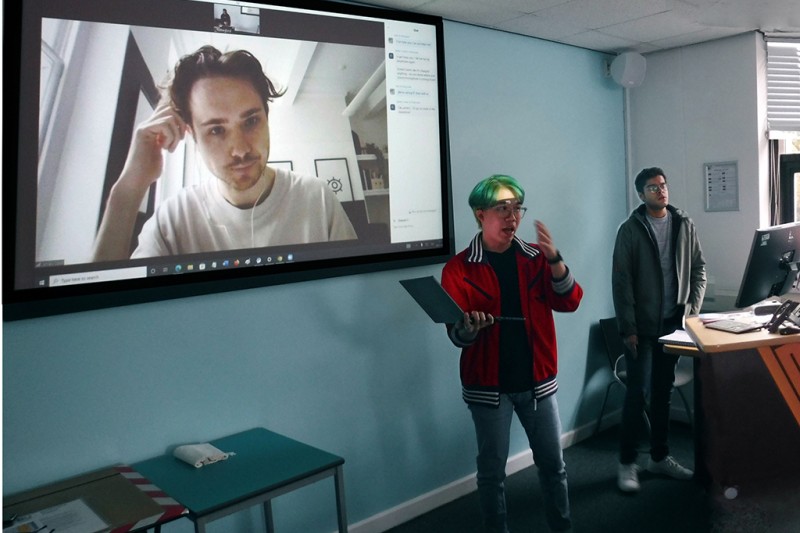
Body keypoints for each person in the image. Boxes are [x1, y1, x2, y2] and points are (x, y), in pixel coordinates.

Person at [92, 45, 356, 261]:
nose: (240, 149)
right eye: (216, 130)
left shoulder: (318, 200)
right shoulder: (172, 221)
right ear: (192, 134)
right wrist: (128, 189)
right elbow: (99, 313)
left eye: (251, 121)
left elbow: (354, 298)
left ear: (266, 117)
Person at [441, 175, 583, 533]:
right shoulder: (458, 268)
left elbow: (570, 301)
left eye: (517, 208)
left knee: (554, 466)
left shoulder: (536, 258)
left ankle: (561, 528)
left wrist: (556, 260)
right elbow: (457, 336)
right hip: (488, 387)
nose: (512, 216)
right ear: (479, 213)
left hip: (537, 383)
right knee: (492, 473)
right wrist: (468, 329)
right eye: (502, 208)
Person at [612, 167, 706, 493]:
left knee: (663, 394)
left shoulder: (684, 224)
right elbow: (621, 282)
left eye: (663, 185)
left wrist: (691, 311)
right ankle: (627, 463)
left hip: (673, 325)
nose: (661, 192)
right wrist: (628, 328)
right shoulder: (631, 230)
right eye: (653, 188)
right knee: (637, 395)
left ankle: (659, 456)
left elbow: (698, 269)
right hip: (641, 328)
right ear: (641, 195)